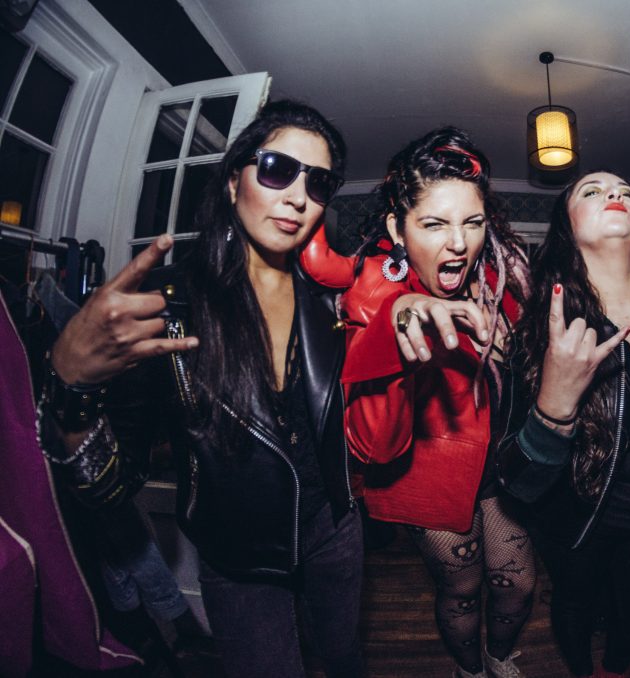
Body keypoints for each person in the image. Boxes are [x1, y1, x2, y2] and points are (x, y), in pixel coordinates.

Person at [38, 100, 362, 678]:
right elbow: (112, 488)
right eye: (278, 169)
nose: (298, 197)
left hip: (334, 530)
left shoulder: (330, 301)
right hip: (237, 556)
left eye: (319, 183)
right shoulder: (167, 305)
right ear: (234, 181)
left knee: (343, 660)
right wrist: (73, 390)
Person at [303, 127, 534, 678]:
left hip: (498, 466)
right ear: (397, 230)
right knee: (462, 590)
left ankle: (499, 657)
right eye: (434, 224)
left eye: (472, 222)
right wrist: (394, 324)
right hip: (428, 474)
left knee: (518, 582)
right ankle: (469, 670)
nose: (459, 243)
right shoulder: (374, 295)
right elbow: (372, 445)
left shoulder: (499, 280)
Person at [497, 171, 630, 678]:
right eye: (591, 192)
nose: (615, 194)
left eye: (626, 192)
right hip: (579, 519)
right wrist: (554, 407)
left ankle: (613, 669)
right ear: (567, 228)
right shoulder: (539, 329)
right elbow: (517, 483)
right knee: (575, 606)